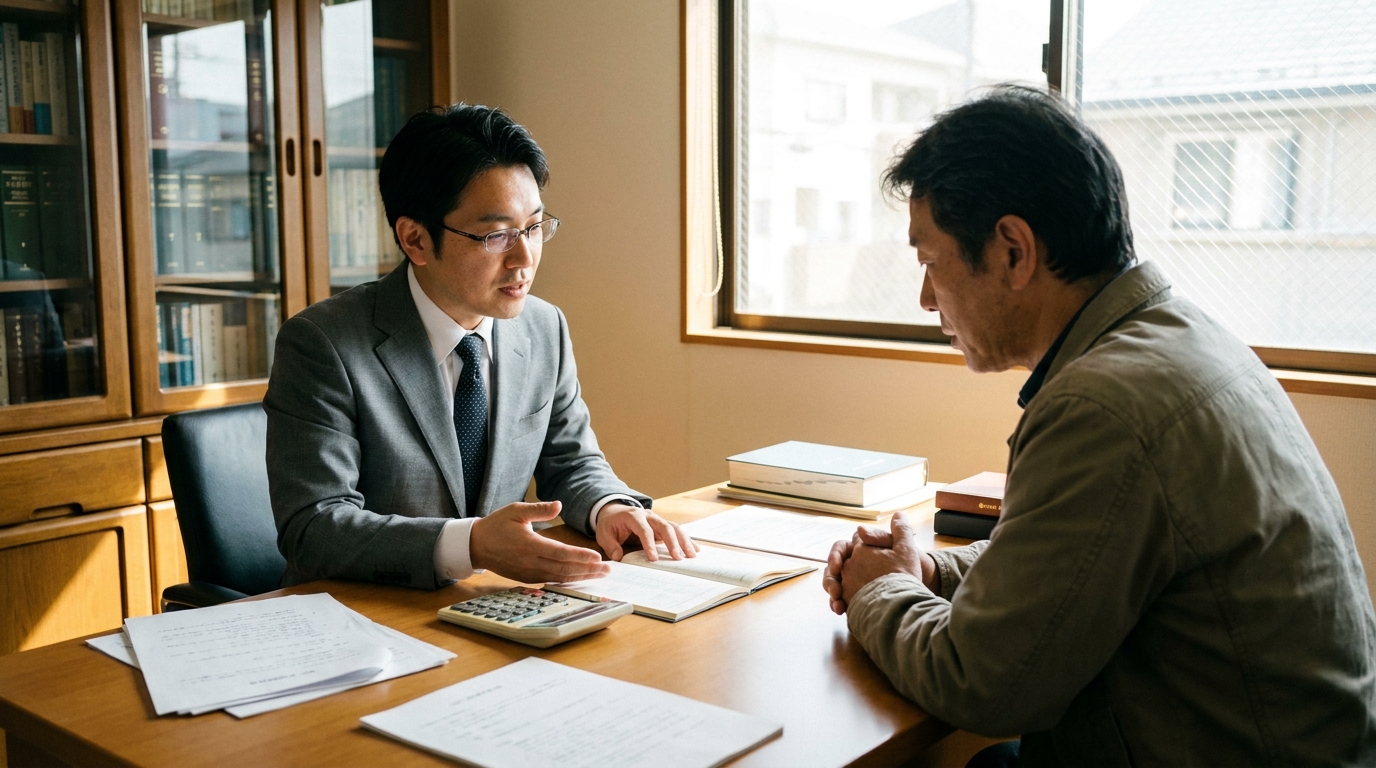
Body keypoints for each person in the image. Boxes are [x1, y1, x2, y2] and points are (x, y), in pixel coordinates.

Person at [821, 86, 1376, 766]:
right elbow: (1075, 566)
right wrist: (931, 571)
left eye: (931, 262)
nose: (926, 298)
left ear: (1013, 251)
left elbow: (979, 683)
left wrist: (879, 589)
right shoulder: (1181, 338)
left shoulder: (1102, 406)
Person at [265, 103, 695, 590]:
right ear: (416, 240)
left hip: (494, 608)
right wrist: (470, 544)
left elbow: (571, 461)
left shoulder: (543, 326)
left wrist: (607, 507)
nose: (524, 258)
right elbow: (314, 526)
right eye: (497, 235)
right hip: (366, 617)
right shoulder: (324, 344)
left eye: (534, 228)